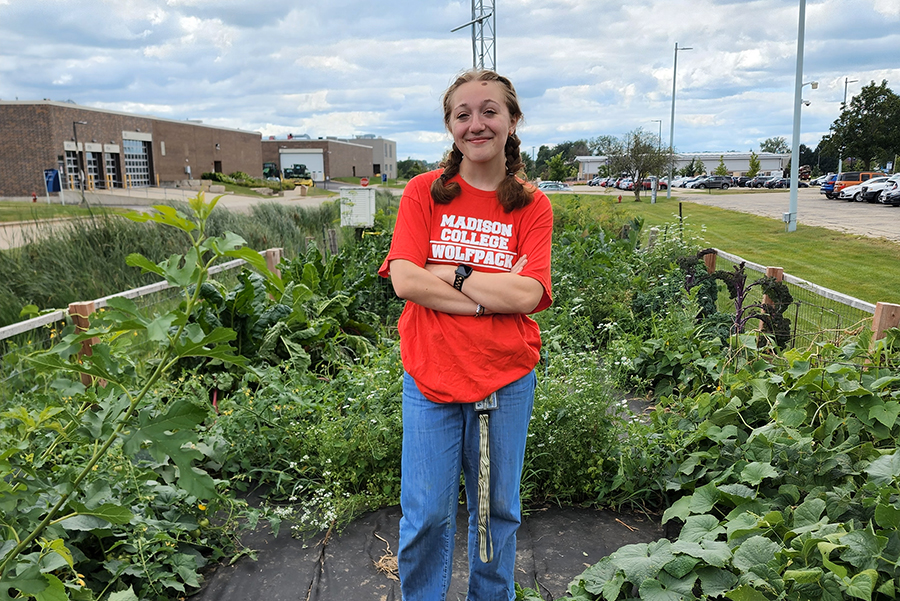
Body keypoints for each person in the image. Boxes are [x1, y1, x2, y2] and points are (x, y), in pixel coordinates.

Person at [378, 69, 553, 601]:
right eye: (463, 114)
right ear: (451, 126)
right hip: (431, 376)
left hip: (505, 377)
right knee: (427, 515)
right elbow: (406, 280)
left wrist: (450, 273)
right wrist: (488, 299)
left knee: (497, 511)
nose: (476, 124)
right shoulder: (423, 193)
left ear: (512, 120)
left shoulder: (530, 203)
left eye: (489, 111)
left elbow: (528, 296)